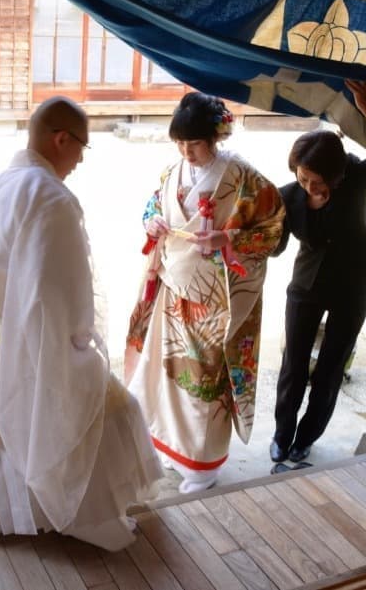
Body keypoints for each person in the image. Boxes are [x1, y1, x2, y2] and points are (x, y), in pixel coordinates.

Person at [0, 96, 162, 551]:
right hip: (27, 346)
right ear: (61, 139)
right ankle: (73, 513)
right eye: (82, 148)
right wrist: (81, 347)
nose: (79, 160)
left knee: (15, 423)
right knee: (114, 410)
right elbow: (59, 296)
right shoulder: (51, 197)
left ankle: (17, 515)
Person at [126, 92, 285, 493]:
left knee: (204, 382)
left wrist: (228, 237)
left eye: (193, 143)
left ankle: (203, 466)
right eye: (179, 143)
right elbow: (150, 205)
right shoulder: (171, 171)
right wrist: (153, 221)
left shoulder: (243, 177)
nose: (185, 151)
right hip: (173, 286)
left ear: (215, 137)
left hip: (218, 300)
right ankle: (169, 447)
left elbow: (273, 229)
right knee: (166, 372)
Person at [270, 79, 366, 465]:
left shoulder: (356, 180)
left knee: (331, 367)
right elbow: (277, 246)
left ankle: (307, 438)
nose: (310, 187)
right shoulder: (286, 195)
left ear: (336, 176)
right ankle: (282, 436)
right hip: (306, 286)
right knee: (293, 365)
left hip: (352, 283)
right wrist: (254, 235)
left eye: (318, 181)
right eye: (303, 178)